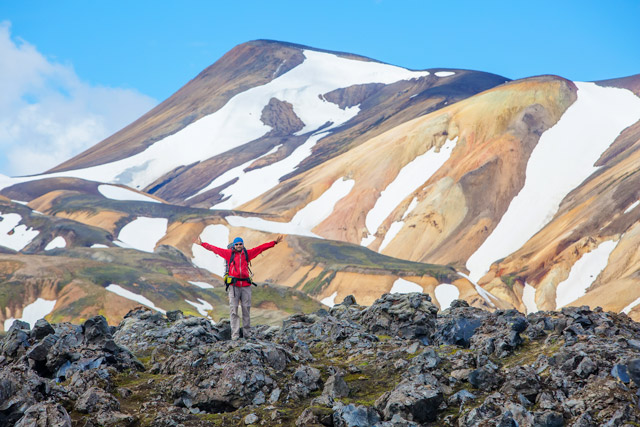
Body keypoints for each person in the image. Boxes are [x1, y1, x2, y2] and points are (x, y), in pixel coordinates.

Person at [194, 234, 283, 339]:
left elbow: (260, 248)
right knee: (234, 311)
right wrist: (202, 244)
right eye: (237, 244)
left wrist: (274, 243)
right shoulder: (228, 254)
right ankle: (235, 335)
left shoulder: (247, 254)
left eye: (240, 244)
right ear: (234, 246)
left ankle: (247, 334)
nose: (239, 246)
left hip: (245, 286)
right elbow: (215, 249)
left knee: (246, 310)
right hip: (234, 287)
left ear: (243, 245)